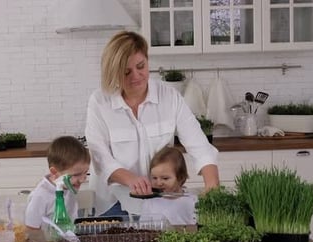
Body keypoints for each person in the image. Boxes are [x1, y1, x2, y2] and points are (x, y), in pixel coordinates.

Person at [85, 31, 219, 216]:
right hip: (113, 204)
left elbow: (199, 146)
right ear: (114, 72)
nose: (136, 76)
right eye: (126, 72)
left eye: (141, 66)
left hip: (161, 201)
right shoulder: (100, 102)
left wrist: (212, 185)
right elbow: (99, 156)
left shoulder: (169, 97)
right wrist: (130, 179)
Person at [25, 136, 90, 230]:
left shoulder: (68, 186)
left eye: (86, 173)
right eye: (76, 175)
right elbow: (32, 229)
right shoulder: (40, 196)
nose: (83, 180)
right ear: (55, 172)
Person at [140, 146, 198, 225]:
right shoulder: (150, 202)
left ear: (180, 178)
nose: (159, 183)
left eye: (165, 178)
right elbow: (143, 227)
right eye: (154, 178)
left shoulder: (192, 201)